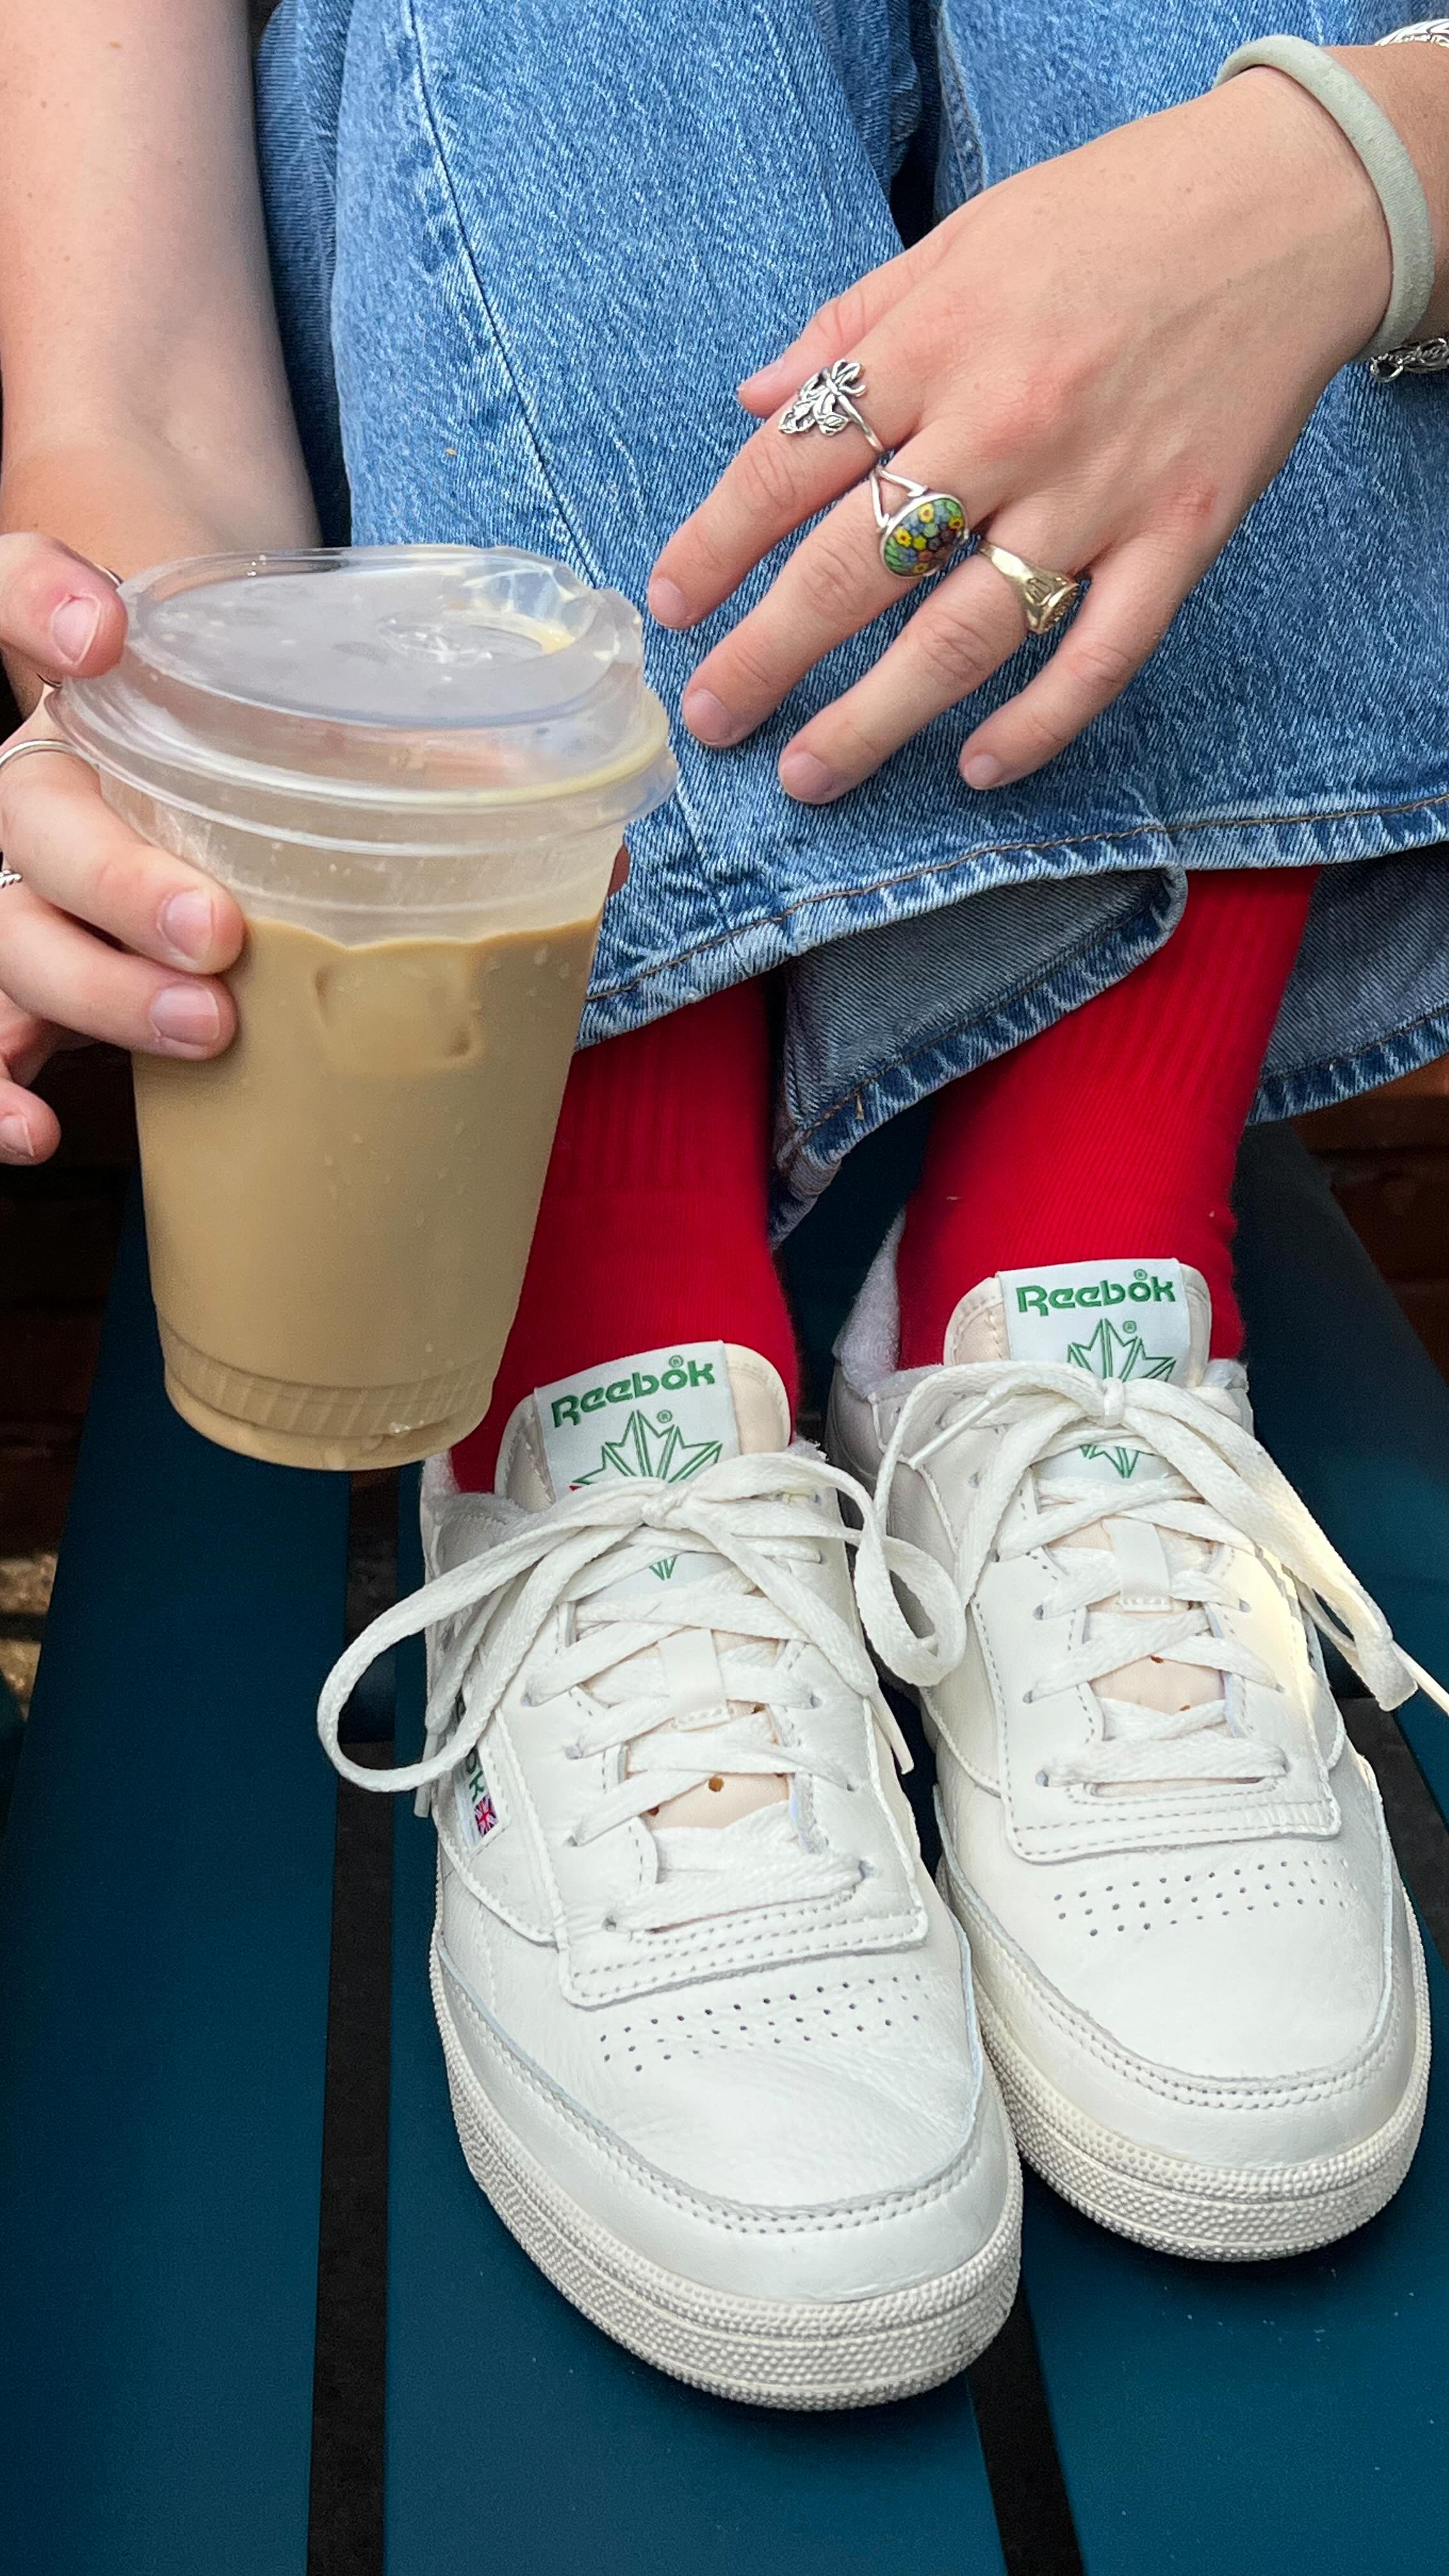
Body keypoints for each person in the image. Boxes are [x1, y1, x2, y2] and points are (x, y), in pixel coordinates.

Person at [3, 0, 1449, 2406]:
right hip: (508, 861)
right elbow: (126, 386)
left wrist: (1347, 170)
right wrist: (160, 701)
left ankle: (1063, 1273)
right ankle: (604, 1374)